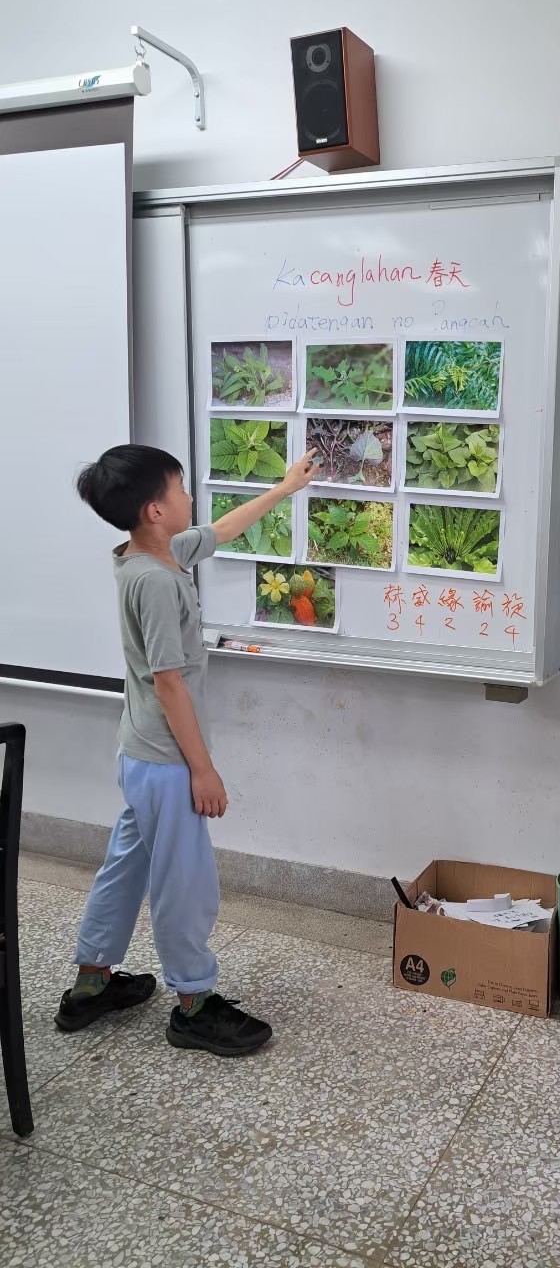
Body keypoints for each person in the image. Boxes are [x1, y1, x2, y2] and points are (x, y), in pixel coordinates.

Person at [55, 443, 319, 1056]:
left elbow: (221, 529)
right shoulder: (154, 581)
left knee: (126, 866)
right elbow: (168, 682)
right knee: (184, 881)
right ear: (155, 510)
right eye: (179, 489)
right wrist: (203, 770)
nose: (190, 497)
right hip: (168, 762)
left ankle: (91, 984)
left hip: (140, 754)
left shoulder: (152, 553)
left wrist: (284, 489)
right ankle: (194, 1004)